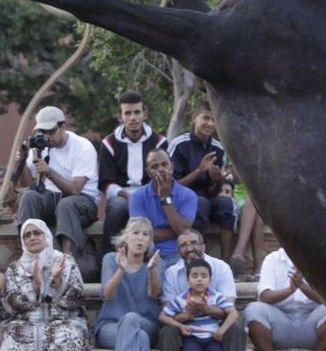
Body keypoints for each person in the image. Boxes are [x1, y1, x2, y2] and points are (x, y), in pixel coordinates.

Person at [0, 218, 92, 351]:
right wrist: (34, 287)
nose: (32, 237)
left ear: (46, 235)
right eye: (27, 235)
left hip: (62, 319)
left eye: (36, 233)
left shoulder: (66, 262)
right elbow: (9, 302)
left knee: (72, 335)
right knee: (11, 338)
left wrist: (57, 282)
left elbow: (77, 296)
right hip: (26, 321)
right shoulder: (15, 268)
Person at [154, 229, 245, 351]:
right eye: (183, 245)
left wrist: (207, 309)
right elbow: (167, 313)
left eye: (194, 243)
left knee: (236, 329)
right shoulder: (172, 272)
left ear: (203, 245)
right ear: (178, 250)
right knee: (166, 333)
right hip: (185, 326)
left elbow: (230, 309)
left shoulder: (221, 267)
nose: (189, 248)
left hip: (216, 323)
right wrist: (186, 317)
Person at [18, 105, 102, 275]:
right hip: (52, 197)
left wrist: (48, 171)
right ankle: (29, 257)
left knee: (66, 204)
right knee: (29, 198)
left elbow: (75, 189)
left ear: (63, 127)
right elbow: (28, 185)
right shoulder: (39, 146)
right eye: (43, 131)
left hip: (83, 202)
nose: (47, 136)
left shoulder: (82, 147)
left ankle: (66, 261)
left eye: (51, 131)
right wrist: (20, 163)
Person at [92, 218, 163, 351]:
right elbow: (106, 295)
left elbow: (154, 294)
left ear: (150, 241)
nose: (140, 238)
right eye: (135, 233)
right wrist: (121, 270)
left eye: (145, 234)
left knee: (132, 319)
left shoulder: (156, 263)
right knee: (138, 337)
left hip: (146, 323)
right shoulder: (110, 259)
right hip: (110, 327)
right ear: (126, 237)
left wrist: (151, 271)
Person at [246, 237, 326, 351]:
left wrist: (302, 286)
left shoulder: (319, 259)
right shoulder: (273, 259)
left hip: (312, 323)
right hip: (281, 323)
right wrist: (290, 290)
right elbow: (264, 296)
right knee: (253, 310)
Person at [168, 104, 238, 267]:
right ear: (194, 118)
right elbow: (170, 186)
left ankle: (225, 263)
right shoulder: (179, 144)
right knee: (200, 203)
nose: (210, 124)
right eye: (206, 118)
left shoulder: (218, 149)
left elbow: (212, 192)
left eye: (214, 120)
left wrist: (219, 180)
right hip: (180, 200)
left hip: (206, 198)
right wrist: (199, 171)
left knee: (227, 204)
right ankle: (196, 261)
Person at [98, 91, 168, 248]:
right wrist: (127, 196)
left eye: (137, 112)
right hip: (122, 196)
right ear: (120, 117)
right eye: (127, 113)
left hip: (151, 193)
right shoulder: (109, 143)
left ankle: (155, 256)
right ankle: (107, 257)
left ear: (145, 114)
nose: (133, 118)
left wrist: (142, 196)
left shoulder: (159, 142)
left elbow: (164, 177)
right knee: (117, 207)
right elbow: (106, 183)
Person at [128, 149, 199, 259]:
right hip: (146, 254)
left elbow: (182, 230)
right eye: (154, 167)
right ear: (148, 172)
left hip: (176, 254)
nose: (161, 169)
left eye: (164, 164)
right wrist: (176, 231)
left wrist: (165, 198)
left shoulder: (189, 195)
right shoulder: (137, 196)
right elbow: (140, 234)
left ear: (172, 167)